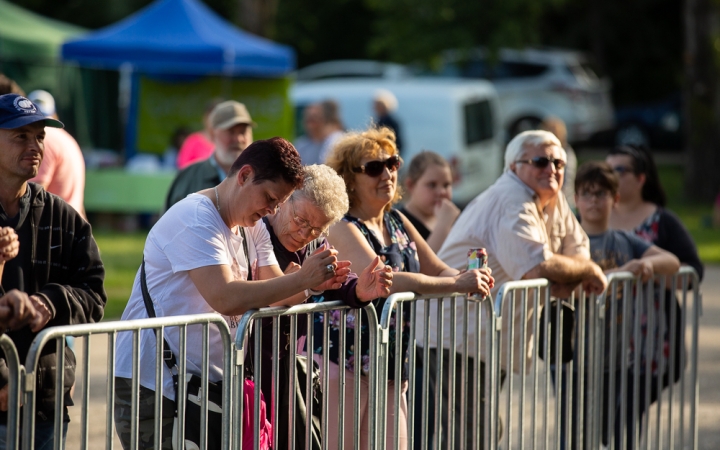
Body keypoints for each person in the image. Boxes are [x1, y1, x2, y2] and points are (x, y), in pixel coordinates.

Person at [114, 137, 351, 449]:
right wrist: (302, 279)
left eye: (279, 203)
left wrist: (311, 285)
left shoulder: (252, 226)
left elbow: (274, 294)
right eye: (269, 197)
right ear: (244, 176)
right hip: (156, 384)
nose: (272, 209)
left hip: (202, 384)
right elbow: (225, 296)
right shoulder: (196, 217)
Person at [325, 127, 494, 450]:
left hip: (389, 363)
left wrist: (469, 277)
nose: (387, 173)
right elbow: (385, 280)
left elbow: (436, 267)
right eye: (374, 168)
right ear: (349, 179)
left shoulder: (397, 222)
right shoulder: (342, 225)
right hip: (344, 364)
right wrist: (455, 283)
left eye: (392, 163)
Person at [436, 130, 607, 448]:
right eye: (541, 161)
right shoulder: (511, 199)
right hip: (454, 338)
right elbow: (536, 268)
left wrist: (569, 272)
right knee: (474, 433)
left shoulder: (550, 198)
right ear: (514, 166)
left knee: (480, 430)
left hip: (487, 339)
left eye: (559, 162)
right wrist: (586, 271)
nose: (552, 169)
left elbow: (578, 245)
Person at [0, 93, 107, 449]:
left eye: (40, 137)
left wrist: (52, 302)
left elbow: (94, 294)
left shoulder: (63, 218)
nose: (35, 146)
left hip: (43, 404)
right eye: (21, 136)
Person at [261, 164, 393, 449]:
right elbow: (265, 292)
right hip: (248, 363)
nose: (304, 233)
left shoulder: (314, 243)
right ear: (286, 199)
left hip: (285, 364)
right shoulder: (258, 231)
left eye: (317, 229)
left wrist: (359, 289)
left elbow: (335, 276)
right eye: (301, 220)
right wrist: (303, 282)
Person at [558, 160, 680, 449]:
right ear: (576, 199)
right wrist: (611, 275)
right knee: (574, 434)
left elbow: (672, 262)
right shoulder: (567, 243)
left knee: (618, 433)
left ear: (615, 199)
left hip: (616, 356)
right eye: (586, 193)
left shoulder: (626, 241)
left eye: (601, 193)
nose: (593, 200)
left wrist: (642, 263)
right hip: (573, 358)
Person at [606, 145, 704, 280]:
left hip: (653, 301)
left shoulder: (664, 220)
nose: (610, 178)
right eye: (606, 171)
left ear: (640, 179)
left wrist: (649, 271)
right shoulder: (588, 217)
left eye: (619, 170)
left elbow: (694, 271)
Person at [165, 100, 255, 209]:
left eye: (243, 131)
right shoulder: (188, 178)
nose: (238, 139)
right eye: (231, 131)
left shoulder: (263, 177)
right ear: (212, 134)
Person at [26, 90, 87, 219]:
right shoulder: (68, 139)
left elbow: (34, 194)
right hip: (71, 227)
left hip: (55, 229)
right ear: (55, 114)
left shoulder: (43, 138)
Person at [399, 150, 460, 252]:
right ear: (410, 185)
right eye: (432, 185)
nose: (441, 192)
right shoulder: (400, 224)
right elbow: (421, 265)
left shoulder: (448, 217)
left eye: (446, 185)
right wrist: (444, 225)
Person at [540, 116, 577, 211]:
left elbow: (567, 179)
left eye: (555, 132)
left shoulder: (567, 153)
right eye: (549, 131)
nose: (552, 135)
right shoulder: (540, 153)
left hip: (565, 202)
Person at [175, 99, 223, 169]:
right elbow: (183, 169)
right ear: (205, 118)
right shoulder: (192, 141)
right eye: (213, 117)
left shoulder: (228, 141)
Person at [294, 100, 344, 165]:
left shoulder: (336, 140)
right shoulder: (301, 144)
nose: (310, 124)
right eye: (308, 119)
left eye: (314, 118)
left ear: (324, 119)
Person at [374, 89, 403, 154]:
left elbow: (398, 142)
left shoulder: (391, 122)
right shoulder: (378, 120)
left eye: (377, 105)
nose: (375, 107)